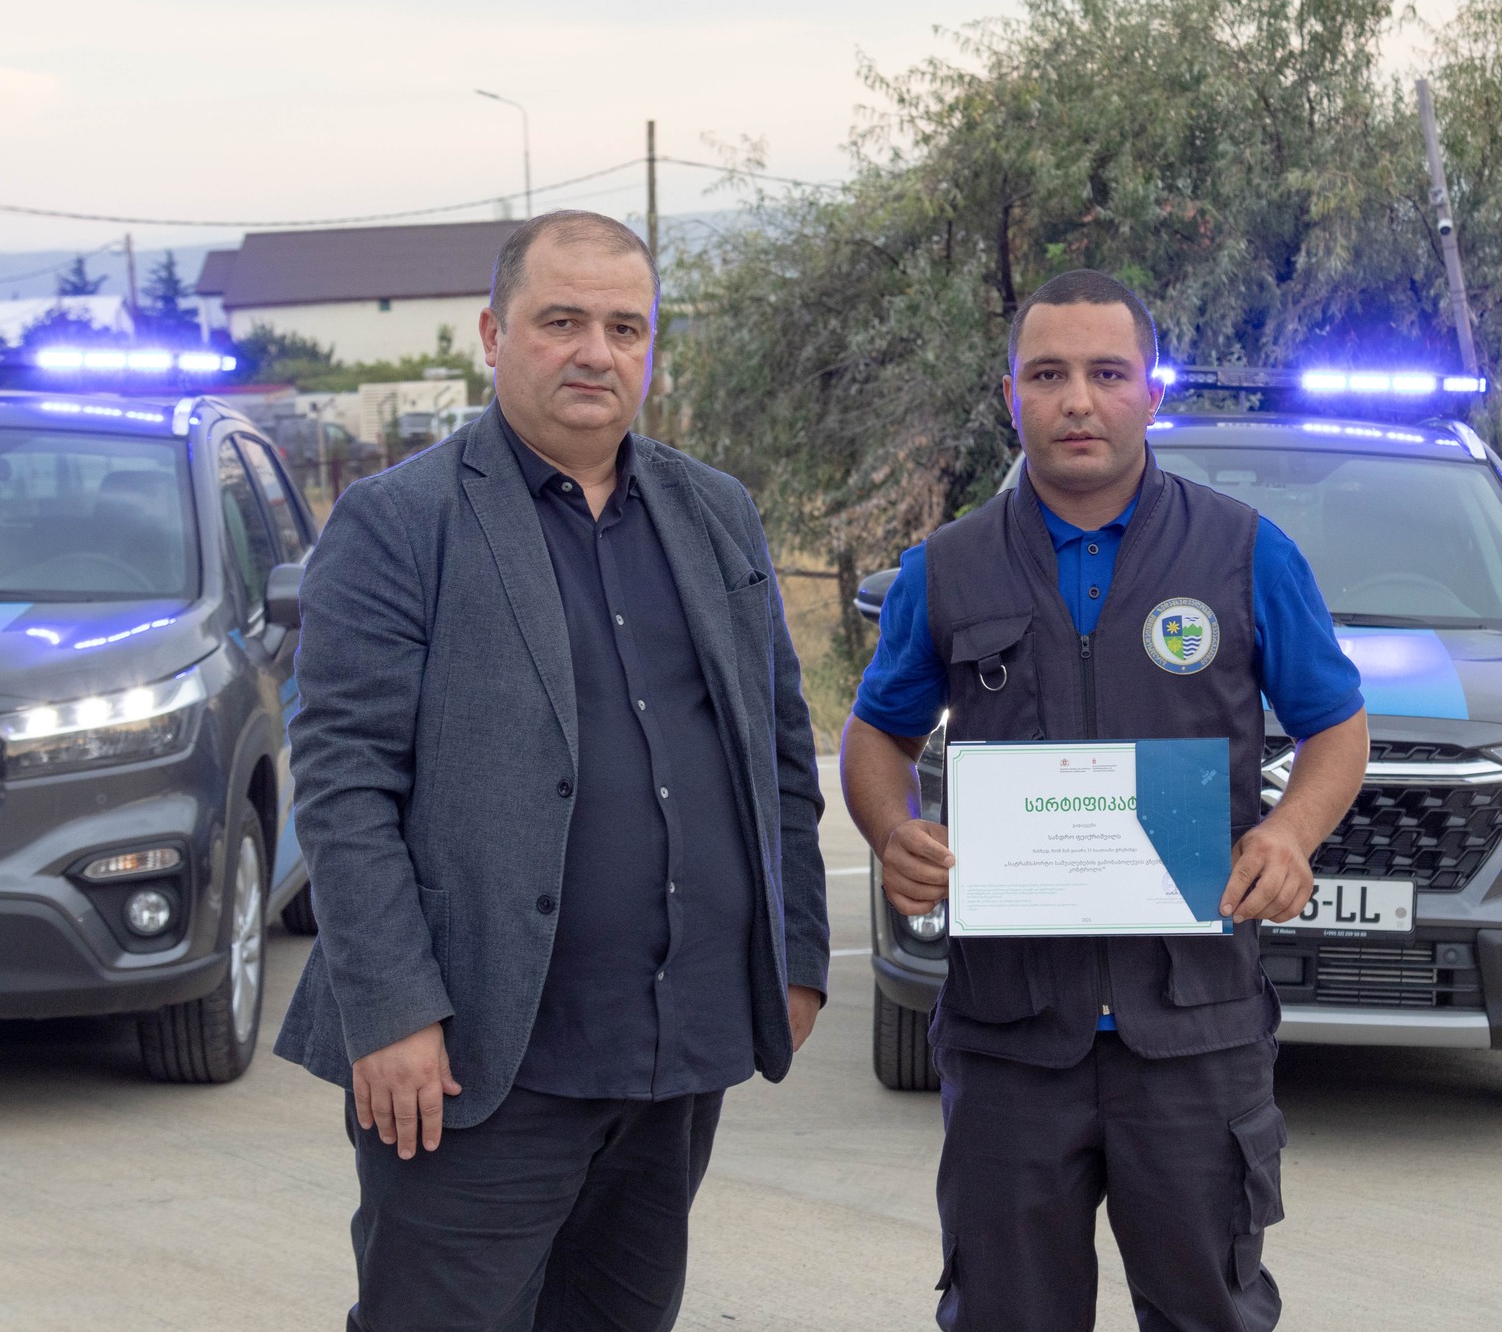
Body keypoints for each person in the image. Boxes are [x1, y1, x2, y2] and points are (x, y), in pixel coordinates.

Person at [276, 209, 831, 1332]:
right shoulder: (397, 524)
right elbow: (342, 787)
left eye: (625, 327)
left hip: (674, 1051)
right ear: (493, 334)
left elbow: (776, 751)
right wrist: (391, 1010)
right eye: (561, 321)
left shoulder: (716, 513)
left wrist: (799, 954)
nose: (596, 352)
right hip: (474, 1057)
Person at [839, 269, 1369, 1331]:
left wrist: (1289, 832)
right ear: (1010, 397)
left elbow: (1335, 725)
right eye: (1047, 375)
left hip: (1193, 1033)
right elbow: (875, 735)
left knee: (1208, 1312)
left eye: (1107, 373)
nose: (1077, 400)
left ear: (1151, 392)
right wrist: (892, 828)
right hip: (1009, 1037)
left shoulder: (1244, 553)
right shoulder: (945, 570)